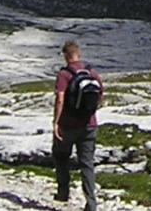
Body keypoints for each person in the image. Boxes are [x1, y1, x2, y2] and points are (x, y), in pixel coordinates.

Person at [52, 40, 102, 211]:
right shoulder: (91, 72)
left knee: (60, 156)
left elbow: (60, 99)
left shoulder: (64, 74)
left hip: (68, 124)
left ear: (66, 55)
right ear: (78, 53)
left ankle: (63, 192)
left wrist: (56, 122)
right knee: (87, 163)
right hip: (89, 124)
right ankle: (91, 203)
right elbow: (100, 95)